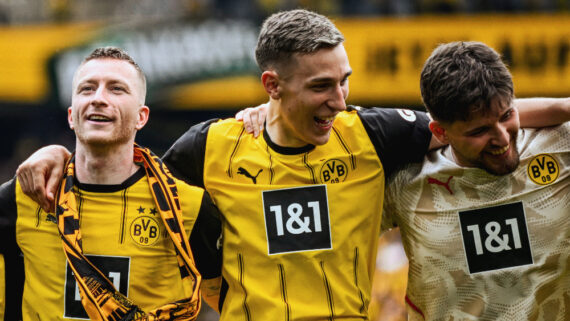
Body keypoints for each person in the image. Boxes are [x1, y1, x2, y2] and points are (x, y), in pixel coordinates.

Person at [15, 11, 569, 320]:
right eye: (322, 86)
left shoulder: (373, 135)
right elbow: (126, 179)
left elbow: (469, 117)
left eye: (345, 81)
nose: (341, 99)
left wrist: (558, 109)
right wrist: (58, 153)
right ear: (272, 87)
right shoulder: (209, 147)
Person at [0, 47, 222, 320]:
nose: (98, 99)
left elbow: (239, 299)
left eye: (116, 89)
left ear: (142, 117)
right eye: (87, 89)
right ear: (72, 116)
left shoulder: (188, 207)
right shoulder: (26, 196)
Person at [380, 41, 569, 320]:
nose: (503, 138)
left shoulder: (562, 145)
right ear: (440, 132)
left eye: (507, 115)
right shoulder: (404, 182)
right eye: (479, 130)